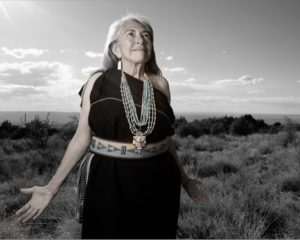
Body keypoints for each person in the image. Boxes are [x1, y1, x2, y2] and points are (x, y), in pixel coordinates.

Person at [15, 13, 210, 239]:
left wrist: (185, 179)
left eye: (146, 35)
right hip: (110, 178)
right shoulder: (98, 81)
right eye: (131, 34)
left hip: (160, 178)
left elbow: (165, 139)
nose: (141, 39)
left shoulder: (161, 84)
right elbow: (81, 137)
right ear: (116, 49)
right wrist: (51, 188)